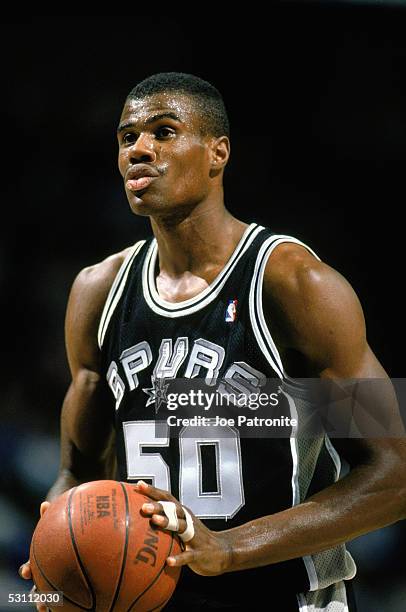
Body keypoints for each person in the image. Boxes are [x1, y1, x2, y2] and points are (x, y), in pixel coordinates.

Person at [20, 72, 406, 612]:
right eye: (127, 137)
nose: (140, 150)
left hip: (283, 598)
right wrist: (59, 555)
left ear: (217, 153)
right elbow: (77, 471)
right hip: (152, 600)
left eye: (164, 131)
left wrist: (228, 548)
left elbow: (393, 477)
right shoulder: (97, 291)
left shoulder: (296, 285)